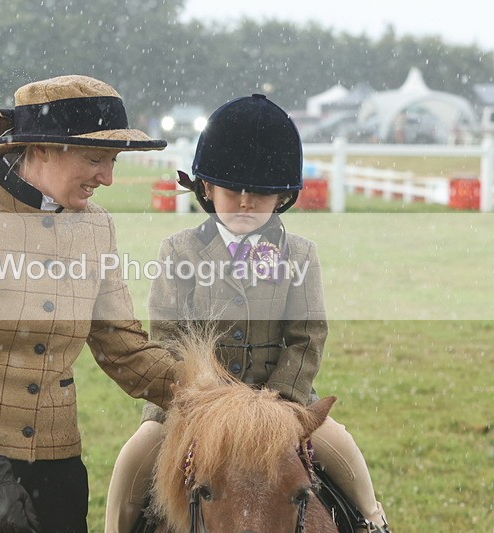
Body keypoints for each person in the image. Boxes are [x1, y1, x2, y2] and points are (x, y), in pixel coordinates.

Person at [0, 75, 182, 533]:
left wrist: (216, 397)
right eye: (95, 158)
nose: (107, 177)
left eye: (113, 161)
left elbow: (125, 348)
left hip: (55, 463)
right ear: (42, 148)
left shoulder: (97, 226)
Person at [105, 94, 391, 533]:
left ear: (282, 196)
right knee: (135, 458)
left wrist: (281, 400)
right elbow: (167, 337)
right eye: (232, 190)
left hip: (281, 400)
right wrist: (205, 399)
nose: (244, 202)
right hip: (194, 403)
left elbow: (307, 335)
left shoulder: (299, 254)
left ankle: (374, 521)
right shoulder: (178, 250)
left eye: (258, 193)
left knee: (344, 449)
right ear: (206, 188)